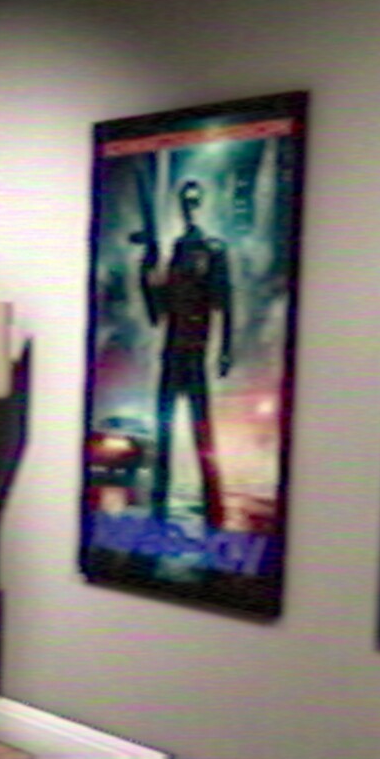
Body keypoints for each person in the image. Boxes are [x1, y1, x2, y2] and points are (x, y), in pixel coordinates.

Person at [137, 179, 232, 529]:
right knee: (164, 435)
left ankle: (213, 509)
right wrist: (146, 273)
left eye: (193, 201)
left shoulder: (213, 250)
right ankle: (158, 508)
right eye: (184, 202)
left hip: (195, 354)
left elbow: (226, 303)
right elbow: (157, 312)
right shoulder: (175, 252)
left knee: (201, 434)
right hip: (172, 353)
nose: (188, 208)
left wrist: (226, 349)